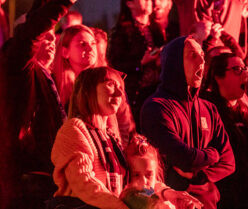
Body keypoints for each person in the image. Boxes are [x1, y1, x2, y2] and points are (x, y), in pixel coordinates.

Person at [0, 0, 108, 208]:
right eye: (41, 35)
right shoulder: (17, 66)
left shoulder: (44, 76)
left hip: (45, 176)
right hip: (26, 181)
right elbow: (32, 29)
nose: (49, 39)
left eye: (51, 34)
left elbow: (35, 23)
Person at [50, 67, 200, 209]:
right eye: (110, 84)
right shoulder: (74, 129)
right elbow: (85, 184)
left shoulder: (111, 136)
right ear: (88, 91)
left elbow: (134, 186)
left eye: (121, 88)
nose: (119, 93)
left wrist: (168, 194)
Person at [141, 36, 235, 209]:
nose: (202, 60)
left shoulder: (208, 108)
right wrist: (213, 154)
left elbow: (229, 162)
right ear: (174, 63)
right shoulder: (156, 107)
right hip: (169, 202)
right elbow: (183, 157)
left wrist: (200, 177)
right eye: (193, 55)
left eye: (202, 56)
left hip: (206, 203)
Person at [201, 52, 248, 209]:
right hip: (219, 197)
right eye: (237, 69)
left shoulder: (245, 112)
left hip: (245, 197)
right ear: (218, 76)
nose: (244, 73)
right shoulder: (206, 109)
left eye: (245, 68)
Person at [109, 0, 164, 128]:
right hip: (135, 95)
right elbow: (115, 64)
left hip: (157, 92)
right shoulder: (123, 32)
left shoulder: (157, 29)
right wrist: (140, 63)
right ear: (129, 3)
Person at [122, 134, 203, 209]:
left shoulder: (161, 199)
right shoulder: (124, 201)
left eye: (149, 175)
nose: (144, 181)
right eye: (136, 175)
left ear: (156, 174)